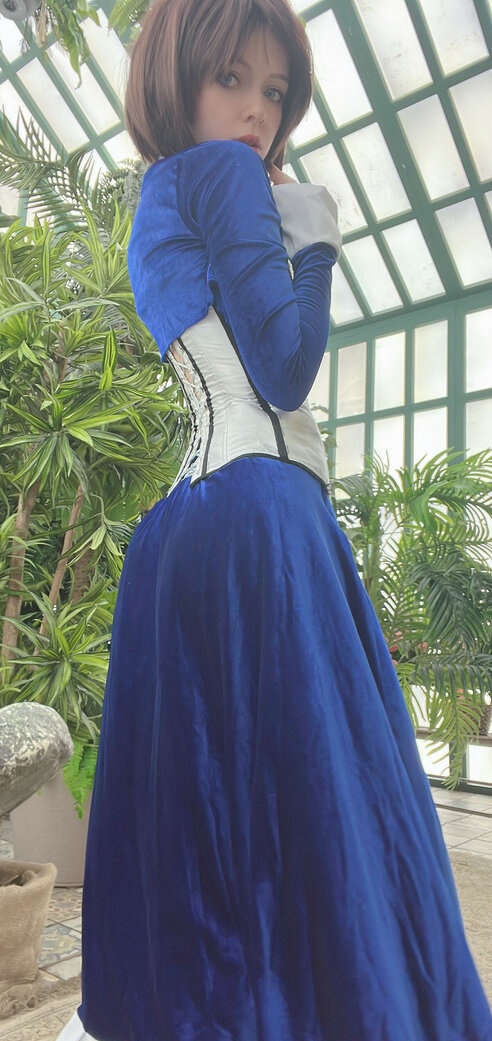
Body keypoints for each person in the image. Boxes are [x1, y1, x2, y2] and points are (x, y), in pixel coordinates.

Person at [57, 0, 492, 1039]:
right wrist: (319, 233)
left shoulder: (163, 194)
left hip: (201, 521)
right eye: (232, 80)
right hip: (261, 514)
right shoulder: (223, 176)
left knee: (222, 816)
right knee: (319, 804)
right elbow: (287, 367)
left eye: (276, 90)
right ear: (178, 78)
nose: (257, 111)